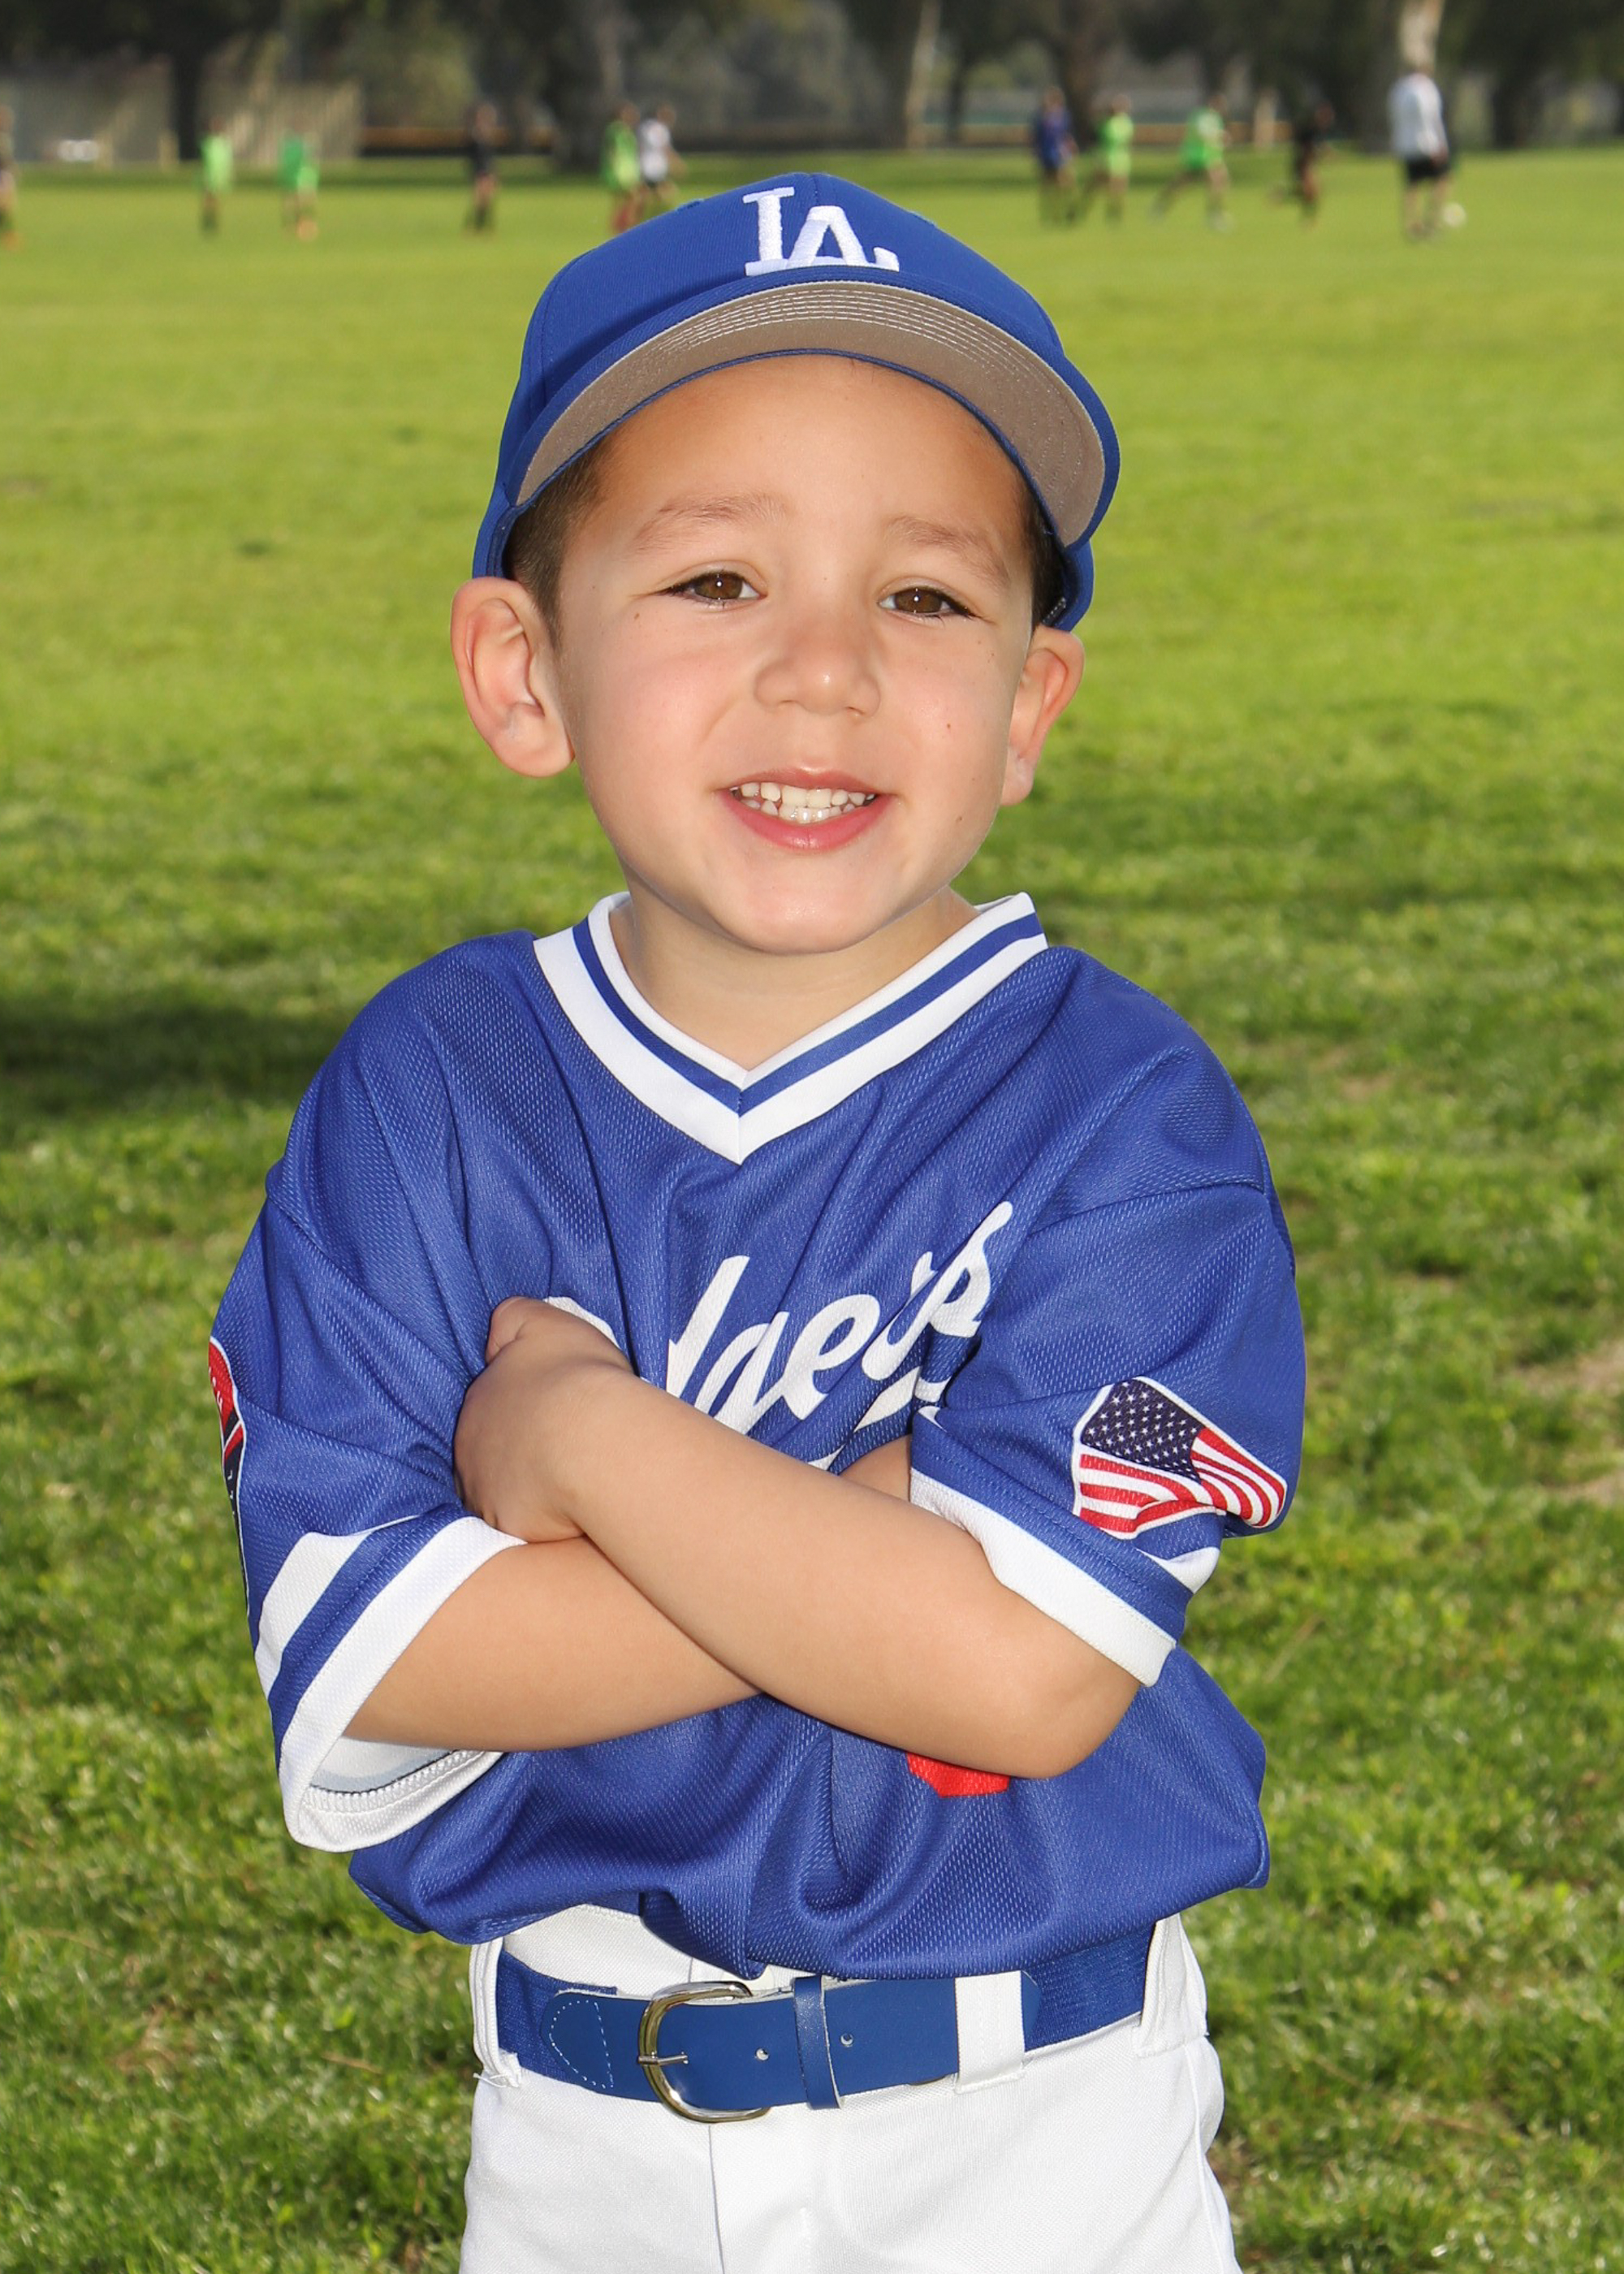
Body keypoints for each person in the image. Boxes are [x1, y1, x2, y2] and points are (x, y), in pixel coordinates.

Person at [209, 174, 1305, 2273]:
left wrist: (589, 1441)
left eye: (925, 598)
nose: (823, 672)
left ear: (1030, 707)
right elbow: (385, 1663)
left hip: (1041, 2135)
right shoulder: (435, 1090)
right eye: (715, 577)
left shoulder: (1126, 1112)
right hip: (581, 2135)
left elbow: (1020, 1672)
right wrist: (881, 1534)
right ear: (522, 670)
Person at [1389, 66, 1461, 237]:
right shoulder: (1427, 88)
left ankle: (1412, 225)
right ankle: (1432, 221)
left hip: (1406, 144)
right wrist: (1441, 143)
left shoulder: (1398, 89)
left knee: (1412, 185)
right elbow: (1431, 117)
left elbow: (1394, 116)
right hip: (1427, 143)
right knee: (1443, 179)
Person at [1152, 95, 1231, 229]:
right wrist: (1220, 136)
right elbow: (1202, 134)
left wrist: (1221, 139)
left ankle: (1215, 214)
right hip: (1199, 156)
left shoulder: (1215, 118)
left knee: (1219, 182)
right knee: (1183, 183)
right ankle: (1161, 206)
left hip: (1212, 156)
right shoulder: (1201, 116)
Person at [1274, 100, 1333, 224]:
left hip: (1309, 165)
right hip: (1303, 165)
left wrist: (1325, 154)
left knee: (1310, 193)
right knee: (1309, 193)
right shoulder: (1310, 130)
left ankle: (1282, 196)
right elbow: (1307, 148)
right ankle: (1307, 218)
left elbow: (1318, 147)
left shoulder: (1317, 130)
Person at [1078, 95, 1134, 222]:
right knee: (1106, 187)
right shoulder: (1112, 124)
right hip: (1110, 158)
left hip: (1118, 158)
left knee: (1115, 188)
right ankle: (1110, 213)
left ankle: (1113, 213)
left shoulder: (1117, 123)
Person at [1030, 85, 1078, 223]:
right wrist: (1036, 153)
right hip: (1047, 154)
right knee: (1048, 185)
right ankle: (1051, 212)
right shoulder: (1041, 119)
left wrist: (1071, 147)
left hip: (1060, 154)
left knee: (1065, 182)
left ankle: (1065, 209)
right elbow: (1036, 138)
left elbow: (1067, 135)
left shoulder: (1063, 117)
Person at [600, 102, 641, 234]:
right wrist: (613, 168)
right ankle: (624, 226)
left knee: (627, 200)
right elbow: (612, 150)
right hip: (620, 170)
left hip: (628, 169)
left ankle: (623, 225)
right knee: (632, 197)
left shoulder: (626, 129)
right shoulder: (615, 130)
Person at [636, 102, 684, 214]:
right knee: (664, 192)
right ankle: (661, 215)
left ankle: (651, 214)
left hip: (647, 165)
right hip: (654, 167)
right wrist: (677, 162)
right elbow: (664, 148)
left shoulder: (645, 127)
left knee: (652, 193)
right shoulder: (659, 129)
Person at [278, 129, 319, 240]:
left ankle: (303, 224)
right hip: (298, 178)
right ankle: (299, 224)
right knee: (296, 201)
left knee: (299, 201)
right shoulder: (297, 149)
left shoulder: (298, 150)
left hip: (301, 178)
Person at [465, 102, 499, 234]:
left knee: (488, 202)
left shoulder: (488, 137)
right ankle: (471, 227)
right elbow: (472, 158)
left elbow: (491, 158)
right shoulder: (474, 137)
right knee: (478, 202)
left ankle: (486, 228)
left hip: (488, 172)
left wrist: (494, 174)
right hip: (479, 172)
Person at [198, 116, 234, 234]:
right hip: (210, 175)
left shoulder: (221, 143)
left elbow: (226, 161)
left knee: (214, 199)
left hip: (217, 175)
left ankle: (212, 221)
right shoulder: (209, 143)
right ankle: (209, 220)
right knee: (208, 198)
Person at [0, 105, 19, 251]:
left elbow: (7, 157)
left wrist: (13, 168)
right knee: (5, 206)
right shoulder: (3, 138)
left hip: (5, 175)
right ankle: (9, 236)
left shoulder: (6, 138)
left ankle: (9, 235)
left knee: (7, 207)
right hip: (2, 175)